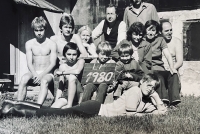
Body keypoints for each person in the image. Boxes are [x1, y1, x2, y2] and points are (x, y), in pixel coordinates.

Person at [1, 73, 167, 117]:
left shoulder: (146, 97)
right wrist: (154, 109)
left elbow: (159, 112)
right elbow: (131, 115)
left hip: (94, 110)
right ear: (142, 82)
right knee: (51, 113)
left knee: (53, 112)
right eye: (149, 85)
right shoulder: (136, 91)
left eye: (154, 88)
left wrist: (156, 99)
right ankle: (10, 109)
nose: (151, 89)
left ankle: (11, 104)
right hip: (94, 109)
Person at [17, 16, 57, 105]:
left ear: (45, 29)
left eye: (41, 30)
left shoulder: (52, 44)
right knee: (24, 78)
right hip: (34, 72)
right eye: (36, 30)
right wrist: (35, 74)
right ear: (33, 30)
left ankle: (37, 107)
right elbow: (29, 63)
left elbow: (53, 63)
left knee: (44, 81)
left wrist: (41, 75)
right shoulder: (29, 43)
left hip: (47, 72)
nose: (39, 33)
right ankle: (18, 105)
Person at [50, 14, 87, 103]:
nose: (68, 29)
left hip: (73, 65)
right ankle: (57, 99)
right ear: (61, 28)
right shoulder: (54, 39)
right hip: (59, 67)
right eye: (65, 27)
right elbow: (51, 57)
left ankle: (71, 100)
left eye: (70, 27)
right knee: (58, 73)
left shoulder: (75, 37)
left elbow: (84, 54)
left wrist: (72, 59)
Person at [144, 20, 181, 107]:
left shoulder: (160, 40)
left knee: (174, 74)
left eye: (153, 30)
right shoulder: (142, 41)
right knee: (159, 76)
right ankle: (163, 101)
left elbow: (168, 55)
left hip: (160, 69)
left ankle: (174, 102)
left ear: (156, 33)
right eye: (149, 29)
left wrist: (172, 67)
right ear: (145, 30)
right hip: (150, 70)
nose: (151, 32)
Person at [51, 42, 85, 108]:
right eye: (69, 54)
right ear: (65, 54)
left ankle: (69, 105)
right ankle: (67, 107)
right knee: (54, 108)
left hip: (78, 93)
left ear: (77, 55)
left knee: (72, 77)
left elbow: (77, 71)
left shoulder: (80, 61)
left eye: (74, 54)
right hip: (67, 94)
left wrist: (62, 73)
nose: (71, 57)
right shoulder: (62, 67)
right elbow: (60, 86)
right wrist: (56, 100)